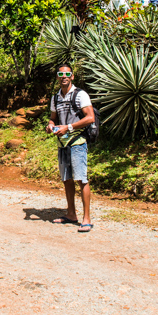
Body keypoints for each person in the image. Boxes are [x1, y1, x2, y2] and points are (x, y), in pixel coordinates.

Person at [45, 63, 95, 232]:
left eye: (67, 74)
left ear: (72, 76)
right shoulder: (56, 98)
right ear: (57, 77)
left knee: (81, 178)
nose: (64, 76)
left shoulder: (80, 95)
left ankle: (86, 218)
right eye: (60, 74)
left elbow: (90, 118)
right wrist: (50, 125)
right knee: (67, 179)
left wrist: (70, 127)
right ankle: (71, 213)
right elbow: (53, 118)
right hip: (62, 143)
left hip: (78, 142)